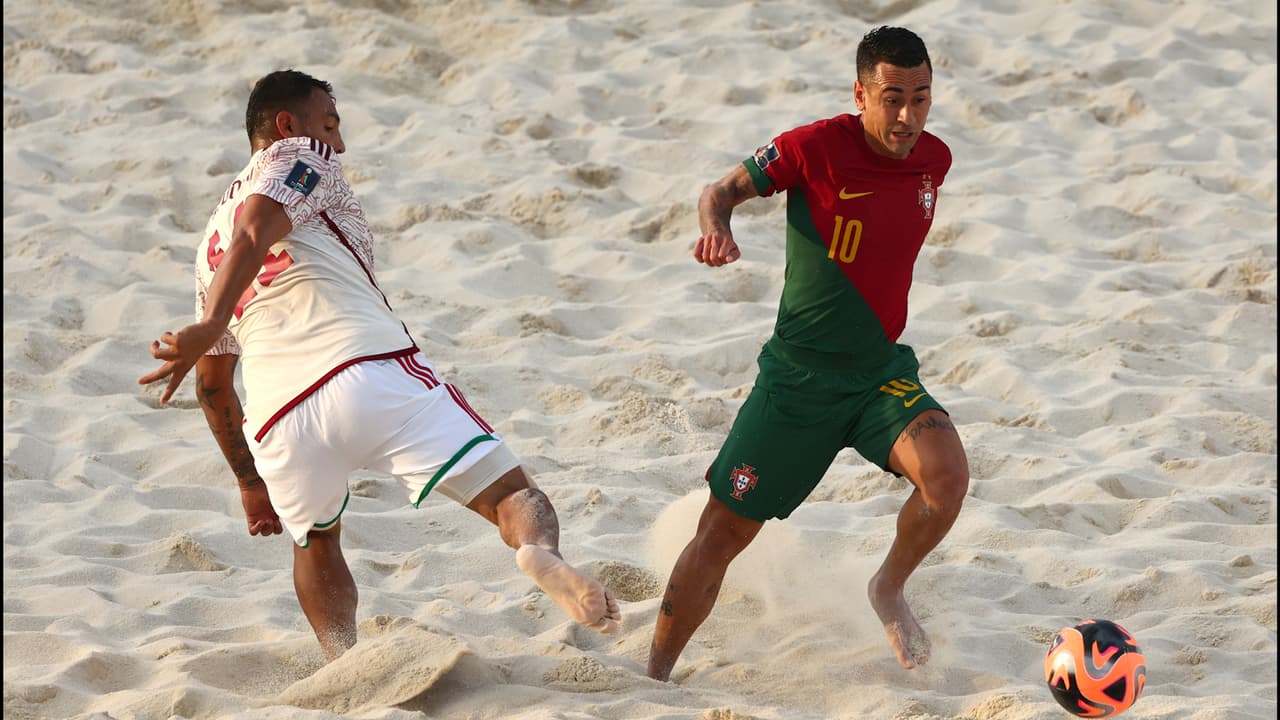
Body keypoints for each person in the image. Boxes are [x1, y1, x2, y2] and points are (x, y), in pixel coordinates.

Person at [138, 69, 621, 660]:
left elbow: (214, 387)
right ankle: (538, 555)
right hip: (363, 367)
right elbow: (258, 228)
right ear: (287, 125)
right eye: (330, 124)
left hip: (276, 419)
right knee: (514, 498)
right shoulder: (300, 155)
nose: (338, 144)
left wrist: (248, 482)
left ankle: (343, 663)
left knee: (315, 544)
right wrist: (213, 326)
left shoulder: (206, 242)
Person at [646, 26, 969, 681]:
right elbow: (719, 193)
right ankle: (652, 674)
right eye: (892, 98)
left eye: (921, 98)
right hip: (797, 383)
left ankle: (887, 588)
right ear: (860, 93)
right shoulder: (813, 147)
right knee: (722, 538)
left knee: (946, 479)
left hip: (879, 374)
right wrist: (717, 234)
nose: (907, 116)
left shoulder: (934, 159)